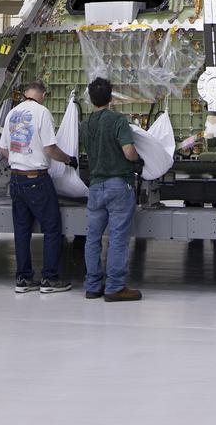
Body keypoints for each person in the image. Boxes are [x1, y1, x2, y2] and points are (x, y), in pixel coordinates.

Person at [0, 80, 76, 294]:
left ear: (25, 93)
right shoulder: (42, 112)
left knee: (22, 230)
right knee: (52, 228)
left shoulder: (12, 113)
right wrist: (68, 160)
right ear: (42, 94)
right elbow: (50, 148)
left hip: (16, 178)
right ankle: (49, 279)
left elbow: (3, 149)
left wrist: (20, 157)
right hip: (37, 179)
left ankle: (23, 279)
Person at [80, 76, 141, 302]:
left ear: (90, 99)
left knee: (93, 237)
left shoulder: (85, 124)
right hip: (118, 185)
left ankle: (92, 285)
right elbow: (128, 151)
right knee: (117, 237)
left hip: (95, 186)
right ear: (111, 97)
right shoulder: (118, 120)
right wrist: (138, 159)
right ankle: (115, 287)